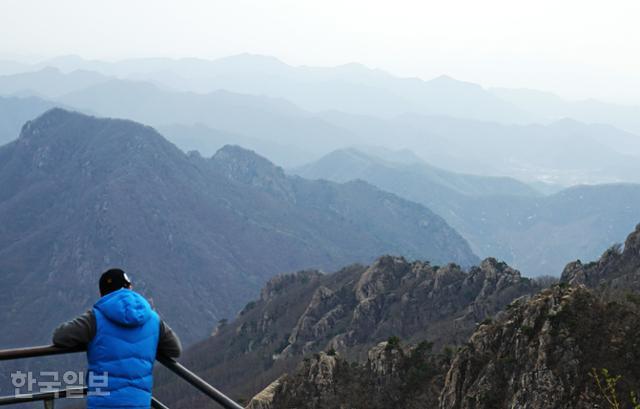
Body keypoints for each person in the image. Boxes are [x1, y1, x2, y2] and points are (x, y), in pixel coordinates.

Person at [52, 268, 182, 408]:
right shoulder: (153, 319)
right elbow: (175, 350)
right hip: (139, 404)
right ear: (130, 287)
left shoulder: (95, 318)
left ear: (102, 294)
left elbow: (60, 337)